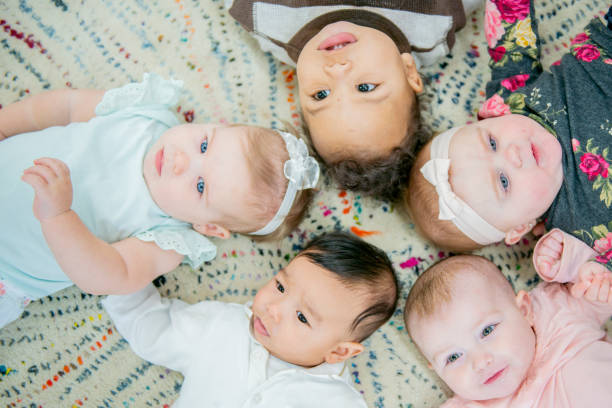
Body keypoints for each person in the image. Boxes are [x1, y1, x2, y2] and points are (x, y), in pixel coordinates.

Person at [0, 73, 319, 328]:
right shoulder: (146, 114)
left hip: (9, 270)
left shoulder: (167, 239)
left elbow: (104, 276)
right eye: (205, 145)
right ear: (216, 126)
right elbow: (65, 107)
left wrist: (59, 216)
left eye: (199, 185)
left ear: (207, 226)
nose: (181, 160)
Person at [404, 1, 612, 267]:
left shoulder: (510, 103)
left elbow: (511, 33)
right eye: (503, 181)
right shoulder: (573, 238)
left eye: (491, 142)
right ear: (520, 227)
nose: (512, 154)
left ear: (484, 120)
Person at [102, 231, 398, 407]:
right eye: (280, 286)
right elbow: (154, 327)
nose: (274, 308)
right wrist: (116, 274)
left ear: (339, 351)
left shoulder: (337, 401)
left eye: (301, 317)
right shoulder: (221, 327)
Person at [225, 0, 482, 199]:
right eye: (366, 87)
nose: (337, 70)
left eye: (321, 95)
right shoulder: (434, 25)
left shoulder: (266, 16)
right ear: (409, 72)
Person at [404, 248, 612, 407]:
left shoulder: (557, 310)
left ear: (524, 310)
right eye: (453, 357)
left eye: (487, 331)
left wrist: (598, 289)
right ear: (436, 369)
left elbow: (597, 299)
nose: (480, 363)